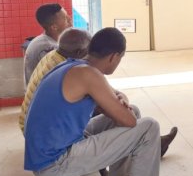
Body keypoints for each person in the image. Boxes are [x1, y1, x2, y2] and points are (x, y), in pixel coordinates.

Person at [24, 28, 175, 176]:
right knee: (148, 127)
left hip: (51, 152)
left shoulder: (74, 66)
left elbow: (118, 99)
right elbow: (129, 121)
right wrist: (119, 102)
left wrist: (120, 99)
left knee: (135, 112)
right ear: (114, 57)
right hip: (55, 164)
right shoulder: (89, 75)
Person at [20, 28, 178, 157]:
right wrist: (115, 103)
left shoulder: (63, 61)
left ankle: (128, 168)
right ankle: (146, 160)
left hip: (45, 140)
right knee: (145, 124)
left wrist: (119, 98)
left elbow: (108, 93)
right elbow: (126, 119)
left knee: (129, 113)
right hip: (54, 154)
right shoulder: (84, 72)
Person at [23, 3, 72, 84]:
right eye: (66, 19)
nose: (70, 20)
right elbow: (59, 79)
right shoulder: (47, 47)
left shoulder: (47, 41)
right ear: (54, 27)